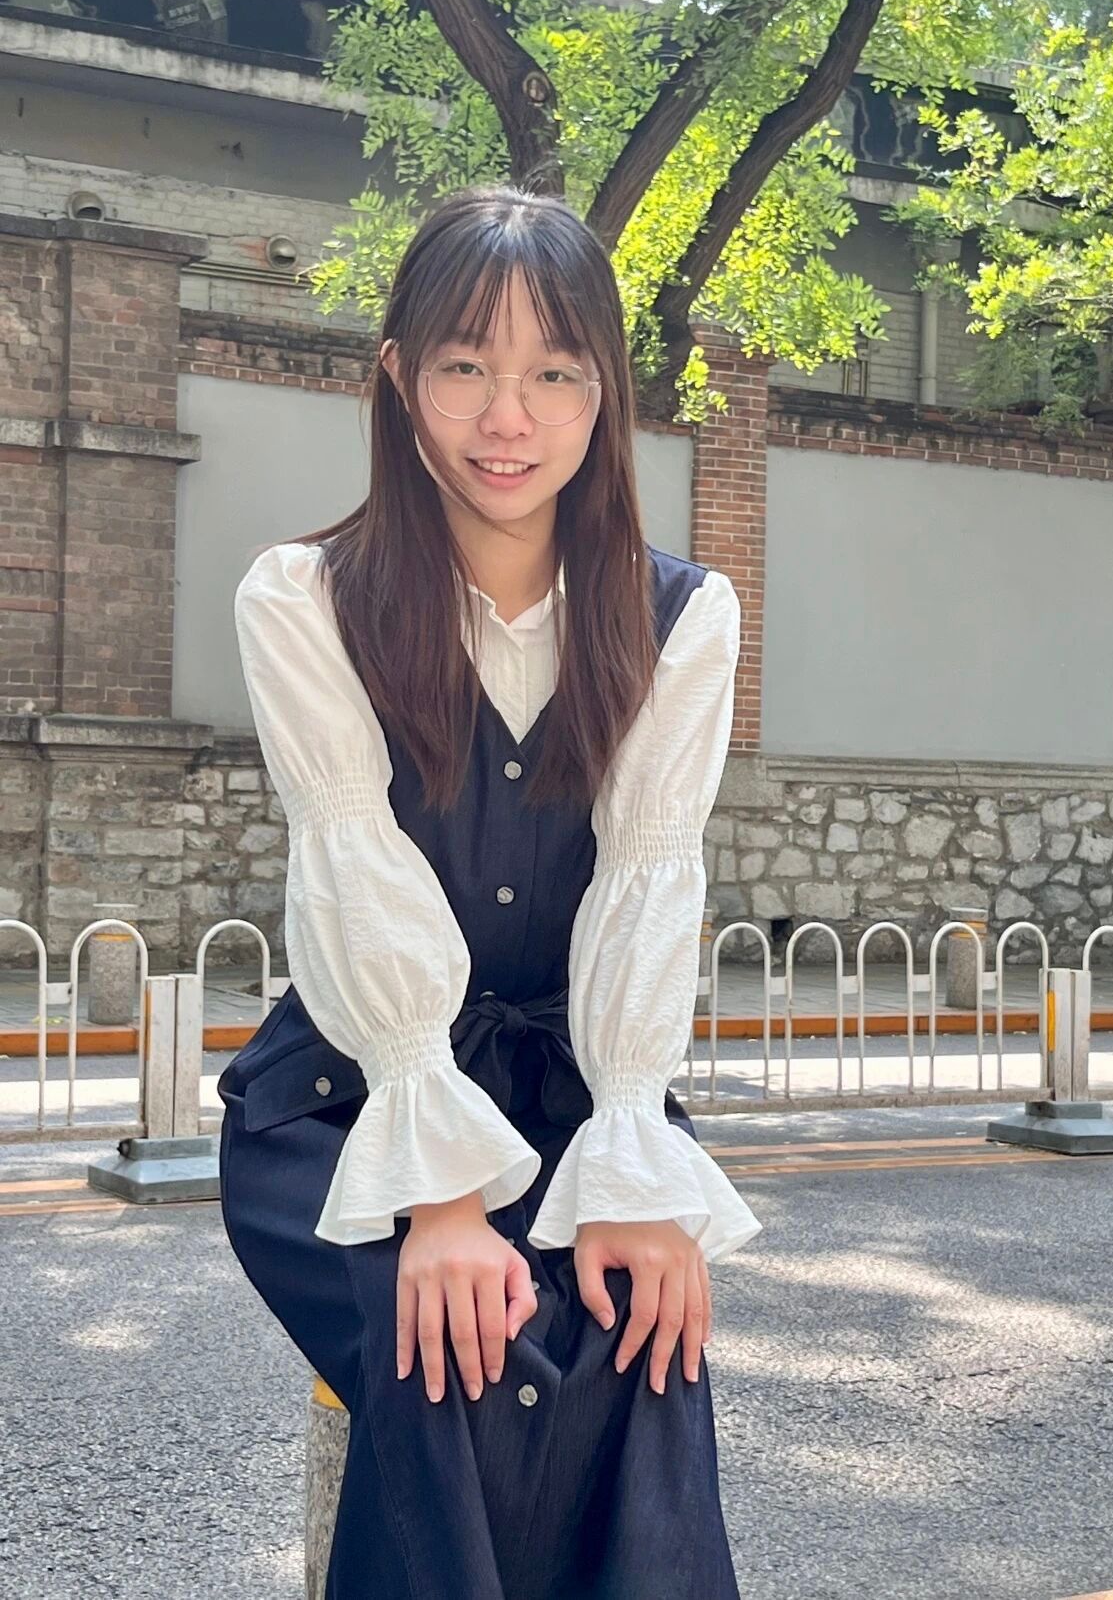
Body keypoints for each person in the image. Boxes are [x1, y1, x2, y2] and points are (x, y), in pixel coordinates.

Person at [216, 182, 763, 1600]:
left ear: (605, 393)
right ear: (400, 378)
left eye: (554, 374)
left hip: (589, 1084)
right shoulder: (305, 596)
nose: (507, 419)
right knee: (453, 1353)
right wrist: (442, 1204)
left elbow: (649, 877)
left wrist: (634, 1154)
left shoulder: (680, 617)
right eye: (466, 366)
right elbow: (353, 858)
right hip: (353, 1095)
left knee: (638, 1337)